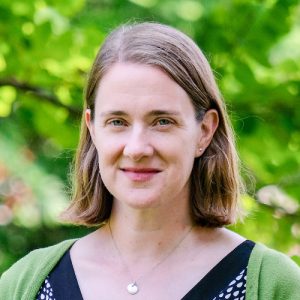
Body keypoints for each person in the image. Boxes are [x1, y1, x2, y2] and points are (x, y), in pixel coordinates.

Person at [0, 22, 299, 300]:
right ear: (92, 129)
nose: (137, 148)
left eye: (162, 121)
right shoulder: (27, 285)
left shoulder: (271, 285)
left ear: (204, 131)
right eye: (117, 121)